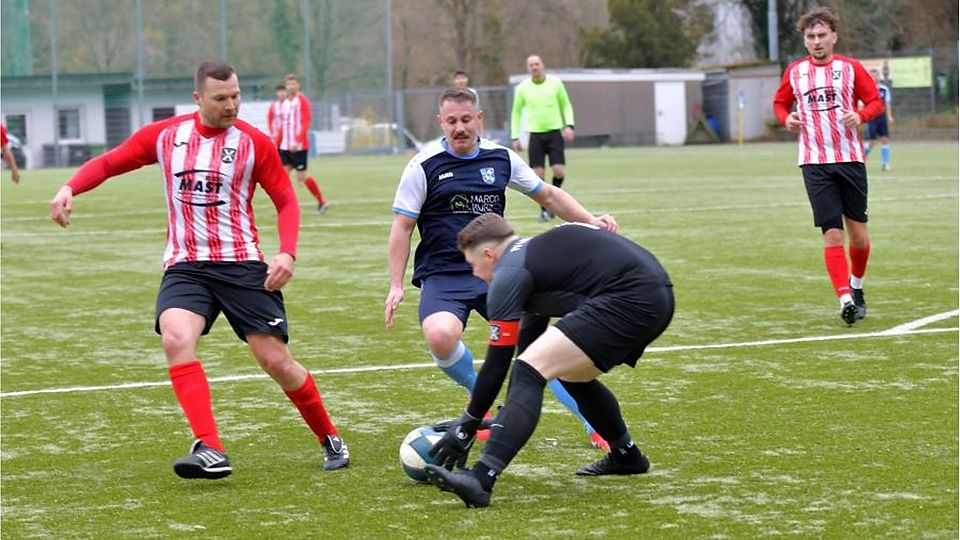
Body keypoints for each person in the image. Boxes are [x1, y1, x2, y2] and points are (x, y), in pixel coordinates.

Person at [48, 61, 349, 480]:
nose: (231, 105)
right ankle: (210, 447)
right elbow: (111, 162)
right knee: (176, 338)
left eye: (236, 96)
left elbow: (285, 199)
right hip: (186, 265)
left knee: (276, 361)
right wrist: (69, 187)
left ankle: (329, 435)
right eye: (221, 98)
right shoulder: (166, 136)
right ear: (198, 99)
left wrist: (287, 253)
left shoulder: (253, 143)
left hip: (242, 266)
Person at [385, 88, 617, 450]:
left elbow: (549, 195)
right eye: (452, 121)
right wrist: (395, 285)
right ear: (440, 123)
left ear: (479, 119)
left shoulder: (501, 159)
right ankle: (481, 400)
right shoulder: (423, 165)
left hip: (498, 274)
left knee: (541, 349)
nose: (459, 128)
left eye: (466, 120)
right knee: (440, 335)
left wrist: (591, 221)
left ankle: (594, 423)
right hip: (444, 275)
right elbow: (402, 227)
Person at [423, 213, 674, 508]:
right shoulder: (532, 259)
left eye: (473, 264)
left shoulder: (509, 274)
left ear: (489, 254)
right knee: (571, 375)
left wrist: (467, 424)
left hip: (629, 298)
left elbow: (499, 364)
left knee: (531, 369)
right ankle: (626, 455)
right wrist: (498, 418)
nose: (475, 273)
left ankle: (481, 479)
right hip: (656, 296)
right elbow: (527, 352)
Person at [772, 7, 882, 325]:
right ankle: (845, 298)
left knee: (858, 236)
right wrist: (787, 118)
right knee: (832, 234)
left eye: (822, 35)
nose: (817, 41)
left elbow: (875, 101)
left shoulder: (851, 69)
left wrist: (861, 115)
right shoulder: (795, 72)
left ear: (834, 36)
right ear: (805, 41)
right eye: (811, 36)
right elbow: (780, 103)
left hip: (849, 158)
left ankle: (858, 287)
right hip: (814, 162)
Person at [510, 55, 575, 222]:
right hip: (536, 135)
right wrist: (515, 135)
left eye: (536, 64)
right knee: (537, 175)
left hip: (554, 132)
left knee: (558, 171)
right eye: (531, 65)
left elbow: (566, 105)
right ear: (528, 68)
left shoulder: (556, 83)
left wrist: (569, 125)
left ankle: (552, 202)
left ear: (542, 65)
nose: (534, 67)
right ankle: (545, 210)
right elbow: (516, 113)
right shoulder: (523, 88)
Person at [278, 73, 328, 214]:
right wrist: (277, 142)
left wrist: (298, 141)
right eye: (289, 84)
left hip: (298, 147)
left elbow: (306, 121)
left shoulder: (302, 101)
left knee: (302, 178)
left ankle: (322, 202)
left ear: (298, 85)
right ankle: (286, 206)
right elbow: (283, 125)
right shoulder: (285, 103)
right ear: (286, 86)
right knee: (282, 176)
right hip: (285, 146)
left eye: (294, 84)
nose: (291, 86)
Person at [863, 68, 893, 171]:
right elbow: (861, 104)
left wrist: (889, 116)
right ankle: (860, 158)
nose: (874, 78)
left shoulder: (884, 89)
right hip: (871, 117)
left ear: (879, 77)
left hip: (882, 117)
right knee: (871, 142)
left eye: (876, 75)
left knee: (885, 139)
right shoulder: (866, 89)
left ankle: (886, 164)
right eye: (872, 76)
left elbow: (887, 103)